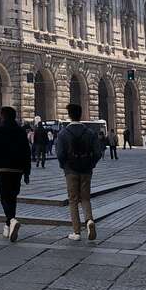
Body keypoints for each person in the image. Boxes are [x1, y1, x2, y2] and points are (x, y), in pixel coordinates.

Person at [55, 103, 102, 241]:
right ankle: (89, 221)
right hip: (86, 170)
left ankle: (76, 232)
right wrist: (91, 164)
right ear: (80, 114)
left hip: (71, 171)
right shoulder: (90, 132)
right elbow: (98, 152)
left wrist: (65, 166)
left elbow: (60, 153)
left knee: (73, 200)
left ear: (69, 115)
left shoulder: (63, 133)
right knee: (85, 198)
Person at [0, 105, 31, 243]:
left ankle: (11, 220)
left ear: (3, 116)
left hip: (2, 169)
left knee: (5, 198)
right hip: (17, 170)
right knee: (12, 196)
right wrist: (27, 172)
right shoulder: (21, 131)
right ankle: (8, 224)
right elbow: (26, 152)